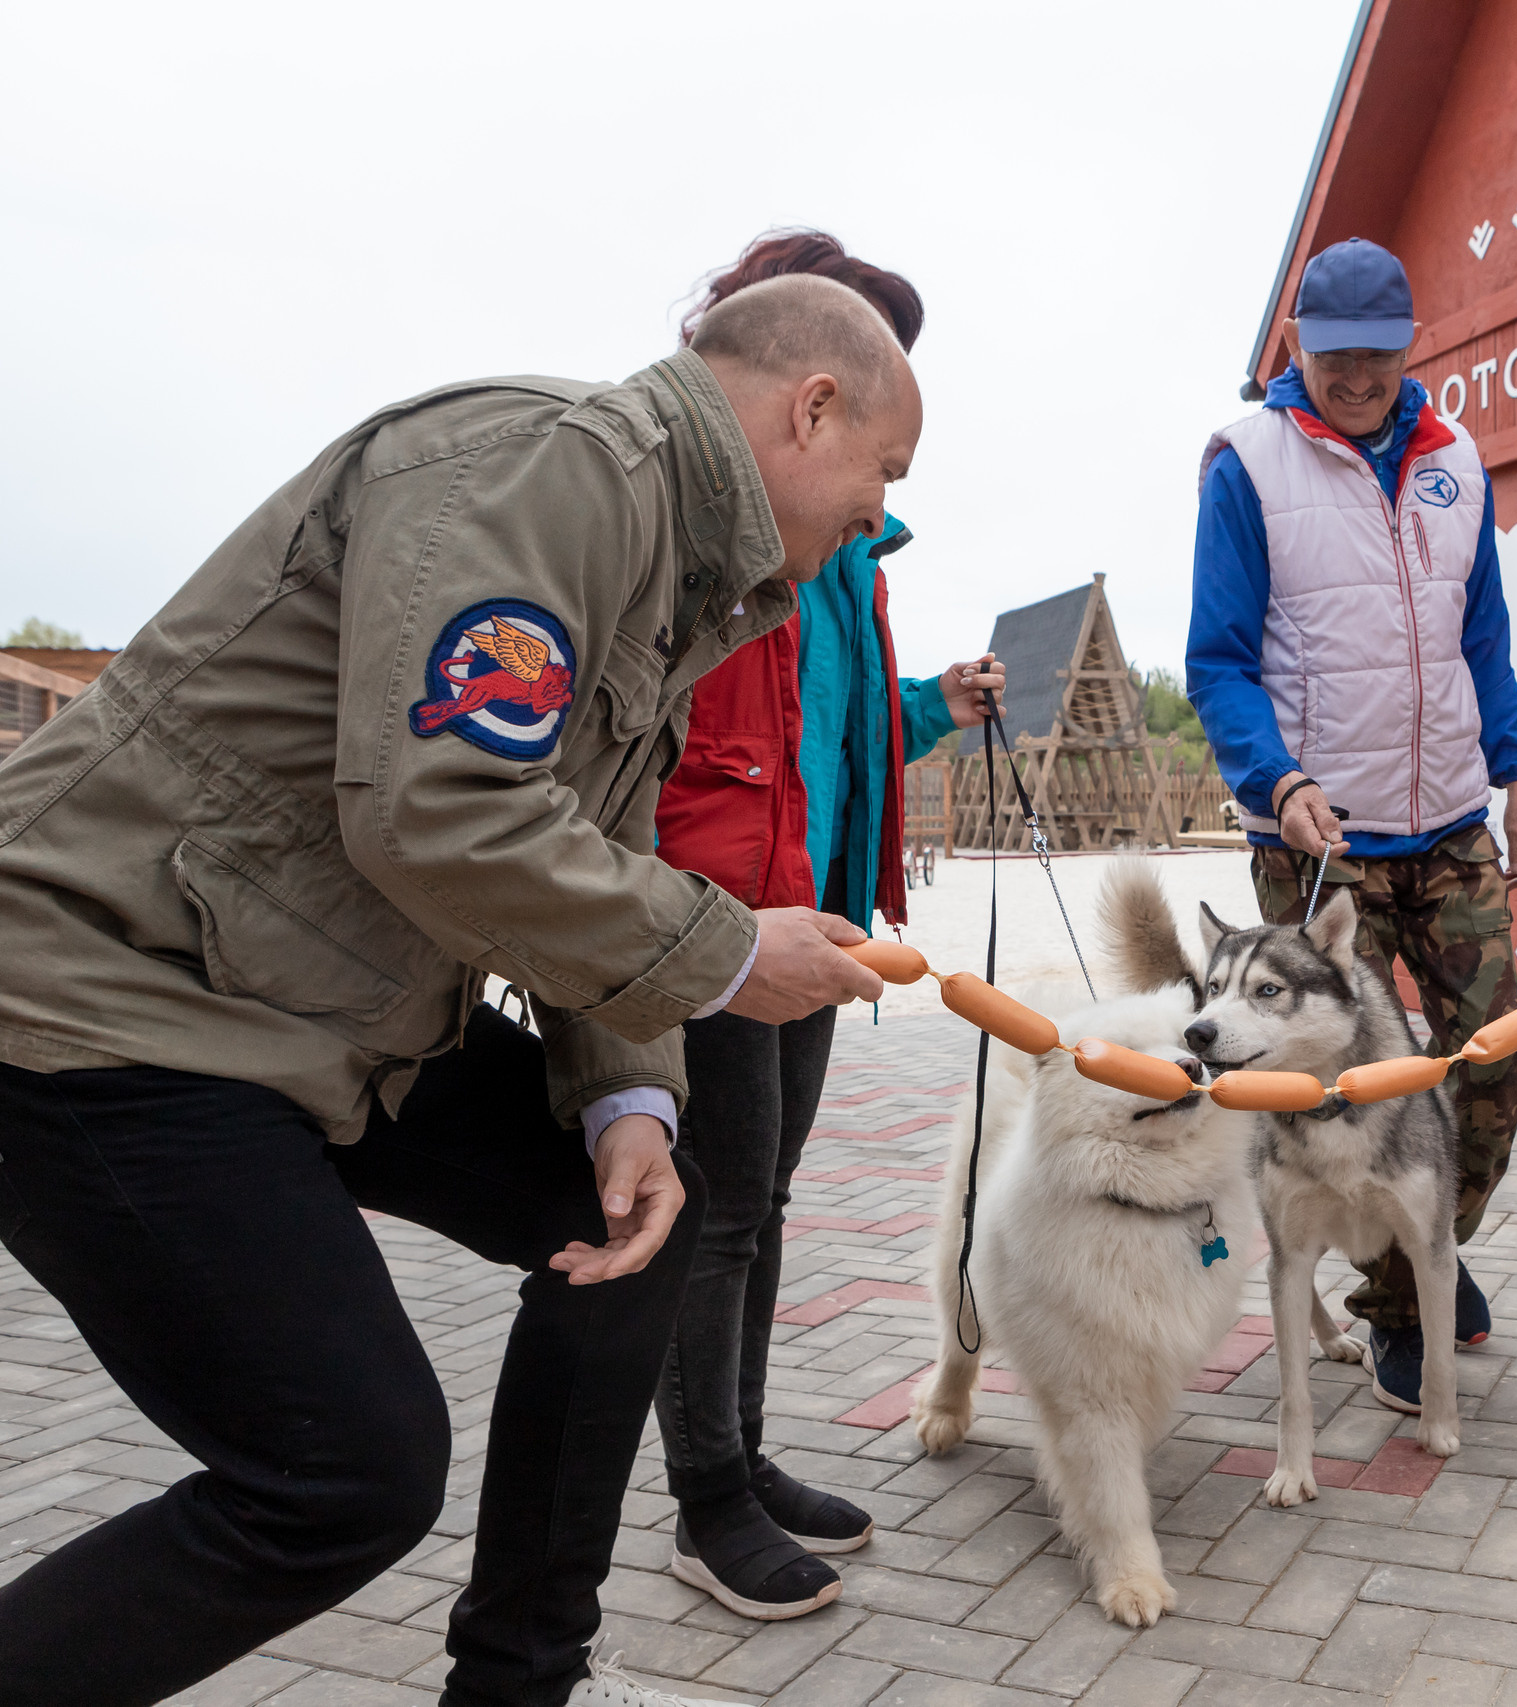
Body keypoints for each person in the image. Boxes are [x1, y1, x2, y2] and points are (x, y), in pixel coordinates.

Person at [0, 274, 913, 1707]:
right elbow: (442, 811)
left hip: (313, 1003)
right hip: (116, 992)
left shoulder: (669, 572)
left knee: (639, 1208)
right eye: (883, 474)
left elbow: (593, 849)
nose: (876, 517)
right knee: (342, 1473)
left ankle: (519, 1684)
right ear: (813, 408)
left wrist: (624, 1096)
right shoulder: (551, 471)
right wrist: (732, 953)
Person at [645, 232, 1005, 1622]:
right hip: (719, 913)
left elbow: (836, 729)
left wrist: (937, 707)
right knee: (717, 1208)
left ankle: (738, 1455)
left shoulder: (851, 551)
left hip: (822, 905)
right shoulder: (708, 525)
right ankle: (705, 1499)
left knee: (764, 1197)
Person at [1187, 236, 1517, 1413]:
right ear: (1296, 345)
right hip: (1318, 839)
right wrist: (1276, 778)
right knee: (1347, 1088)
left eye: (1377, 358)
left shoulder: (1457, 461)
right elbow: (1217, 660)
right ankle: (1400, 1299)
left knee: (1491, 1064)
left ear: (1410, 345)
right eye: (1332, 357)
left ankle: (1408, 1265)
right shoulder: (1247, 465)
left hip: (1449, 823)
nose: (1354, 379)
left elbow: (1482, 638)